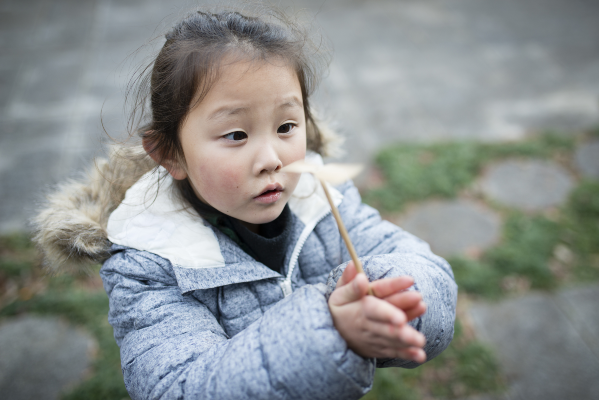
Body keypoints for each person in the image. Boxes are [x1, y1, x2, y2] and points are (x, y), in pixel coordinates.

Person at [33, 6, 457, 400]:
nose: (271, 158)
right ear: (171, 154)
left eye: (287, 125)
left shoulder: (323, 198)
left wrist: (395, 302)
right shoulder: (147, 264)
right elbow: (179, 387)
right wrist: (331, 329)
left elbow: (426, 272)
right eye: (236, 135)